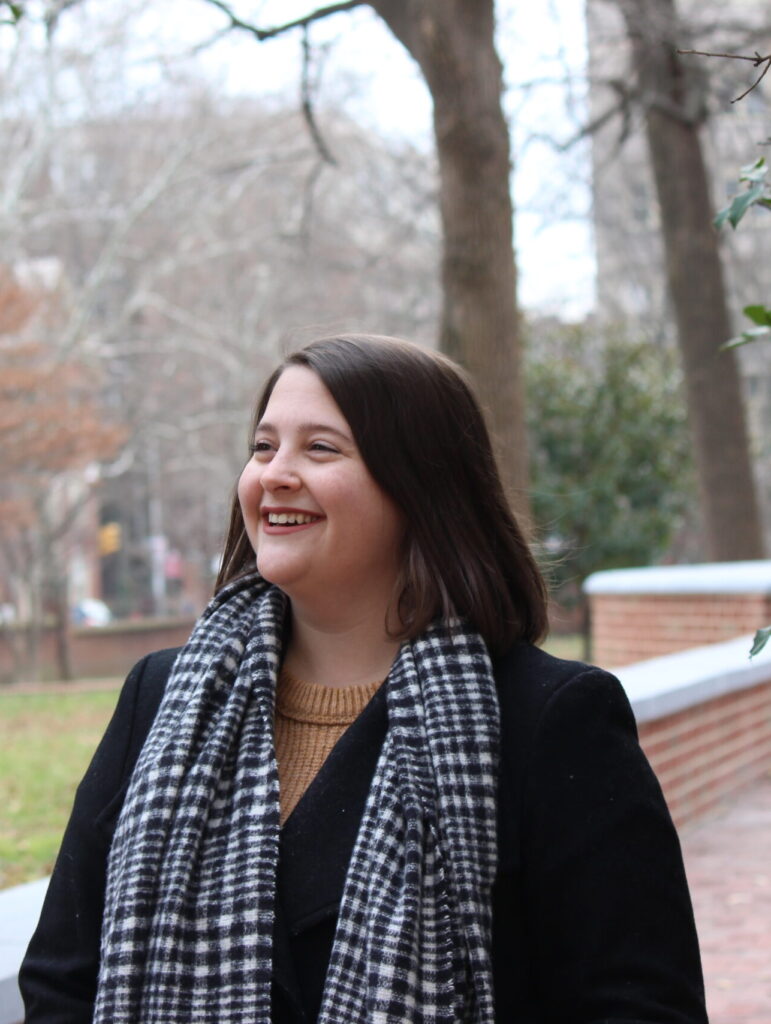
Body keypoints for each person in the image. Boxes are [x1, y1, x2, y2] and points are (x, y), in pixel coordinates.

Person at [20, 334, 708, 1023]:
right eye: (263, 447)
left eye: (320, 449)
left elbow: (640, 1006)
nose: (275, 474)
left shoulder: (549, 720)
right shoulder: (162, 698)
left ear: (421, 487)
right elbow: (62, 982)